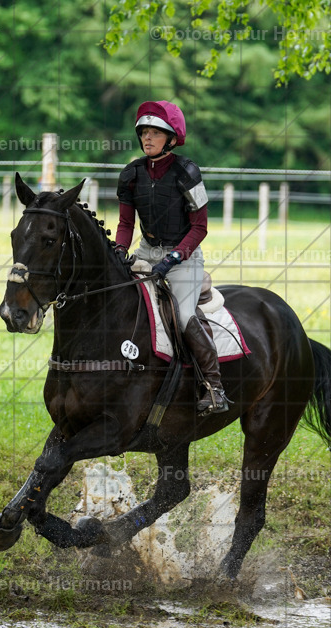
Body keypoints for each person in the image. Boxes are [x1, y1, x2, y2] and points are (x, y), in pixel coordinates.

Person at [114, 100, 230, 416]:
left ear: (171, 138)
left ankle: (214, 387)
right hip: (146, 252)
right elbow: (125, 224)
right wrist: (119, 251)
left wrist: (175, 257)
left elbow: (200, 227)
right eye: (144, 132)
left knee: (183, 317)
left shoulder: (187, 172)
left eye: (156, 132)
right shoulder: (130, 174)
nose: (147, 138)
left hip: (185, 256)